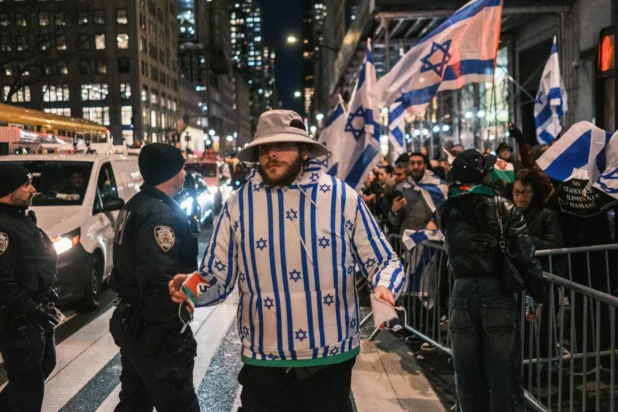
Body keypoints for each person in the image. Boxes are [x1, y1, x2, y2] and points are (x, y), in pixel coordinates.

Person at [168, 110, 405, 412]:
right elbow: (217, 276)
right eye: (264, 147)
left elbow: (384, 261)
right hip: (264, 360)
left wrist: (385, 287)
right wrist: (190, 288)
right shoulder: (238, 205)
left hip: (331, 359)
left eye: (281, 145)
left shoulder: (342, 199)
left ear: (304, 151)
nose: (271, 154)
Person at [436, 149, 545, 412]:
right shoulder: (503, 207)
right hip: (497, 293)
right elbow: (526, 257)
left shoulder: (445, 209)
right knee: (503, 375)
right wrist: (536, 295)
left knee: (467, 376)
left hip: (461, 295)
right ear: (484, 175)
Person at [109, 143, 200, 412]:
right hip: (155, 329)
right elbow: (160, 278)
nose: (185, 173)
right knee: (179, 404)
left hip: (134, 321)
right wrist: (174, 328)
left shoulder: (137, 205)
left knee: (135, 401)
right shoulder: (159, 213)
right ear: (169, 172)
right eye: (182, 167)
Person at [0, 164, 59, 412]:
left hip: (36, 314)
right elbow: (3, 282)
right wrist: (32, 310)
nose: (33, 189)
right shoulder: (4, 228)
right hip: (20, 322)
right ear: (6, 189)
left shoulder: (20, 219)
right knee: (28, 387)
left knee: (43, 366)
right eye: (26, 184)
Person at [388, 152, 448, 234]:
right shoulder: (401, 188)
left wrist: (435, 222)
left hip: (431, 238)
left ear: (425, 166)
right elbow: (395, 222)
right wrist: (394, 210)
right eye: (412, 163)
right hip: (407, 238)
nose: (415, 167)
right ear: (408, 166)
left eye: (419, 163)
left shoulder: (439, 187)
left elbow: (446, 213)